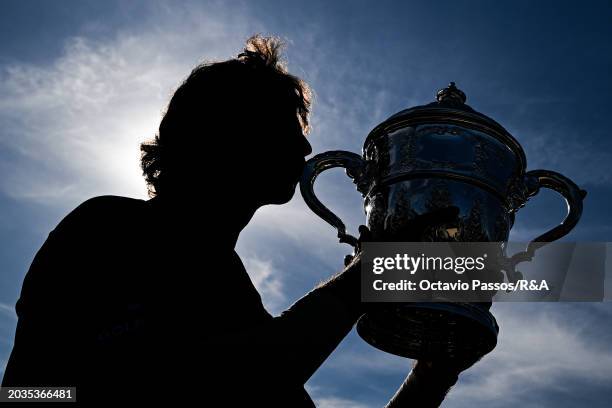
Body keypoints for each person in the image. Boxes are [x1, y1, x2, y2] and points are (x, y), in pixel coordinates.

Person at [2, 35, 482, 406]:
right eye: (283, 128)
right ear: (219, 134)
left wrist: (433, 374)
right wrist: (369, 275)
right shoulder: (105, 228)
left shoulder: (233, 294)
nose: (305, 148)